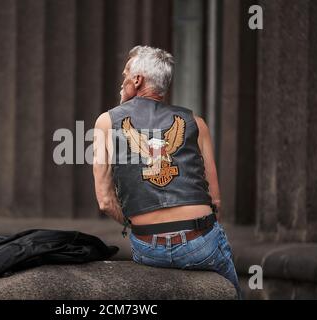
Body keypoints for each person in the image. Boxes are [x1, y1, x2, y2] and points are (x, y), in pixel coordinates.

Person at [93, 45, 241, 298]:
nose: (122, 81)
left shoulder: (106, 122)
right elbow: (215, 201)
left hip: (150, 247)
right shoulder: (196, 122)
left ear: (137, 80)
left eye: (125, 74)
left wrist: (134, 225)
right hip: (200, 243)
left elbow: (106, 202)